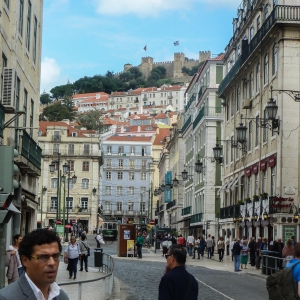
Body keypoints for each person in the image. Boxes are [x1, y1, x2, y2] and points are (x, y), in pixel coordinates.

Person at [0, 229, 69, 300]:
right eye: (43, 257)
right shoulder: (6, 297)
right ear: (25, 260)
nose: (52, 263)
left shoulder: (61, 296)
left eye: (55, 256)